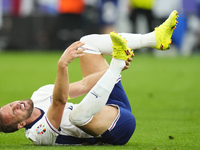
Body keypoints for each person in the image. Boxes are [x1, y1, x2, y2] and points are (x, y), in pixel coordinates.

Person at [0, 10, 178, 146]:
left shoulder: (38, 95)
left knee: (86, 44)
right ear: (20, 124)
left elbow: (85, 85)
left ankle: (154, 38)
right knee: (76, 116)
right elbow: (59, 102)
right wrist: (62, 64)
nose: (16, 105)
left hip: (107, 103)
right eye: (14, 112)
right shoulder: (38, 134)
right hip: (117, 127)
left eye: (10, 105)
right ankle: (118, 61)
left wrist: (116, 68)